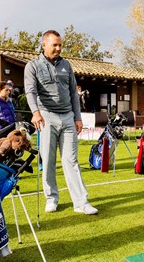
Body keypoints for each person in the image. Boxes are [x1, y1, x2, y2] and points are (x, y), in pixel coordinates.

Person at [24, 29, 98, 215]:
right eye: (54, 45)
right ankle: (51, 198)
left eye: (60, 45)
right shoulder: (32, 66)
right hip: (46, 116)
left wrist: (78, 117)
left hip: (67, 117)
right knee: (48, 160)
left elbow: (74, 93)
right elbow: (30, 92)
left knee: (71, 161)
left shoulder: (66, 65)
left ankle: (81, 202)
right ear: (44, 45)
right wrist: (35, 112)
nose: (58, 48)